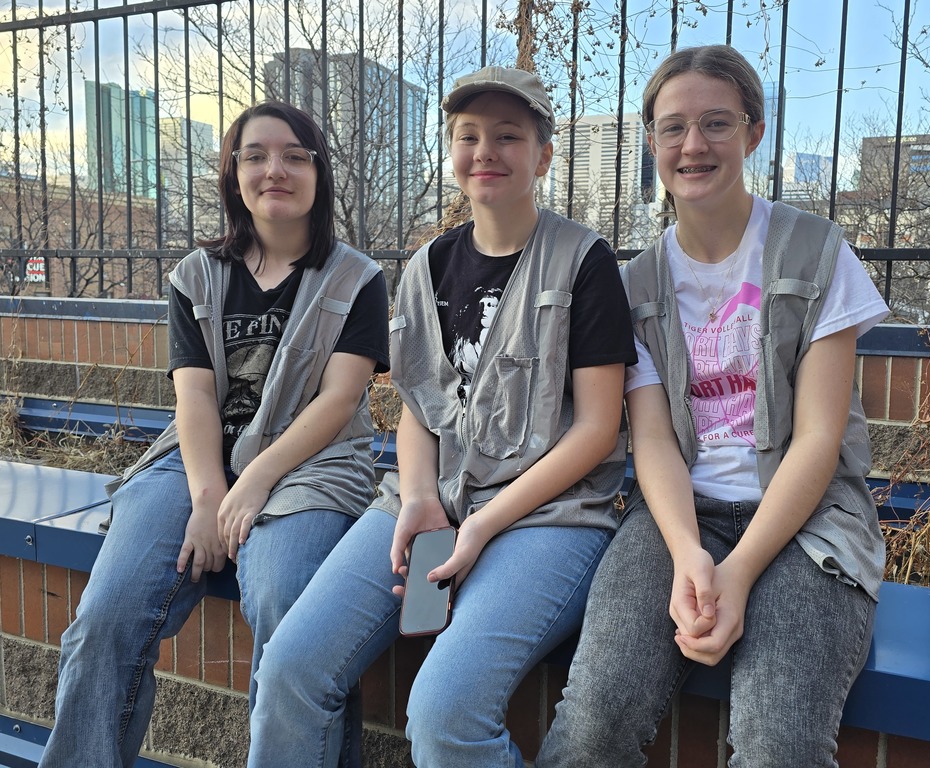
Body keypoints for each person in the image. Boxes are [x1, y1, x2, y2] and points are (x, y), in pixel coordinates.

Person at [246, 66, 637, 768]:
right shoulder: (428, 265)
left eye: (509, 136)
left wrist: (484, 524)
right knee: (290, 669)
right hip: (434, 501)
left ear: (544, 155)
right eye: (469, 135)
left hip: (549, 517)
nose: (486, 150)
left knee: (445, 712)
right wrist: (421, 498)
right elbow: (418, 409)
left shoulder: (585, 262)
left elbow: (598, 429)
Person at [537, 44, 890, 767]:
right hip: (679, 514)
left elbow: (820, 440)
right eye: (673, 127)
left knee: (779, 744)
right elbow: (655, 442)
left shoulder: (815, 252)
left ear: (754, 133)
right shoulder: (635, 283)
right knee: (592, 726)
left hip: (806, 519)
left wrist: (737, 570)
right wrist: (690, 553)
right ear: (652, 142)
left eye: (716, 123)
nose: (693, 145)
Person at [40, 101, 389, 768]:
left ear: (319, 172)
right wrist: (208, 497)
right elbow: (194, 396)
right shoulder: (197, 275)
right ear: (233, 175)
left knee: (291, 612)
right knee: (107, 616)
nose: (273, 170)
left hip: (308, 465)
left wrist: (250, 484)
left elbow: (339, 399)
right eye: (254, 156)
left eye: (293, 155)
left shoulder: (357, 278)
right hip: (194, 462)